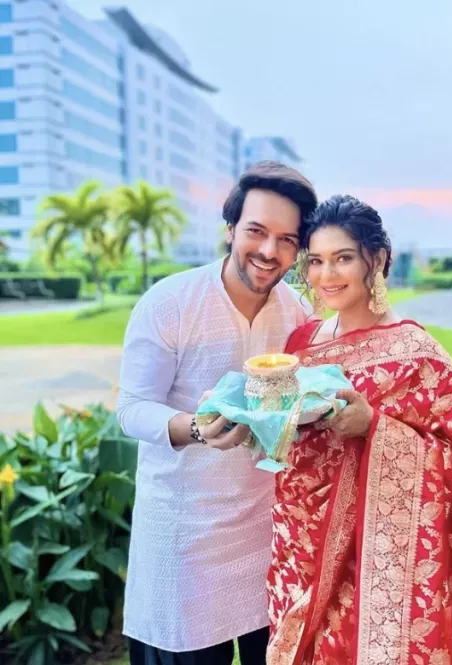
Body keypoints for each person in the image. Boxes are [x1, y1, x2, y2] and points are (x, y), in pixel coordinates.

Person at [263, 195, 452, 665]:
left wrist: (374, 427)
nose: (326, 275)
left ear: (377, 259)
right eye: (316, 261)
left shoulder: (417, 355)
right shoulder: (301, 343)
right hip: (297, 548)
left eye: (343, 258)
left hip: (375, 560)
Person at [116, 161, 317, 665]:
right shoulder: (171, 303)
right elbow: (131, 408)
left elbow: (308, 395)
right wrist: (195, 429)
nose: (269, 251)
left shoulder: (296, 312)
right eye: (256, 231)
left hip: (267, 535)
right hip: (183, 537)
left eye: (287, 240)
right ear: (230, 229)